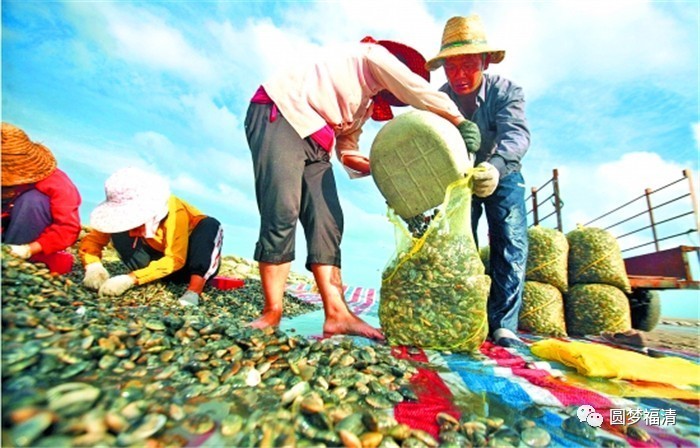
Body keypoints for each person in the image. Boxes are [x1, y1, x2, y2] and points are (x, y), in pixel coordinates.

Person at [244, 37, 480, 340]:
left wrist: (382, 165)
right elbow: (415, 88)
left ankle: (337, 315)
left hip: (317, 144)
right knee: (283, 209)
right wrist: (457, 120)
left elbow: (347, 149)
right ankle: (272, 312)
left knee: (328, 221)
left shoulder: (364, 105)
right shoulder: (371, 55)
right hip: (281, 111)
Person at [426, 15, 531, 348]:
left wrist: (496, 167)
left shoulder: (507, 91)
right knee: (459, 247)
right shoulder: (441, 100)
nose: (458, 75)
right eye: (451, 67)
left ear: (485, 61)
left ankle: (503, 325)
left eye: (468, 65)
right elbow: (432, 145)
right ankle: (465, 315)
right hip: (460, 180)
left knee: (510, 242)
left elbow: (516, 135)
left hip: (504, 172)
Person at [78, 167, 223, 306]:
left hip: (186, 267)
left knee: (209, 225)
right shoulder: (118, 213)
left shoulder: (174, 210)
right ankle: (151, 276)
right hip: (155, 263)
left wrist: (131, 279)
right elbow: (94, 239)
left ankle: (193, 291)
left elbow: (175, 259)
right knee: (114, 226)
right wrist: (93, 265)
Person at [1, 122, 81, 273]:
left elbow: (67, 228)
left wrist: (27, 249)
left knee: (33, 200)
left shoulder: (57, 184)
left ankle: (14, 264)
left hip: (29, 240)